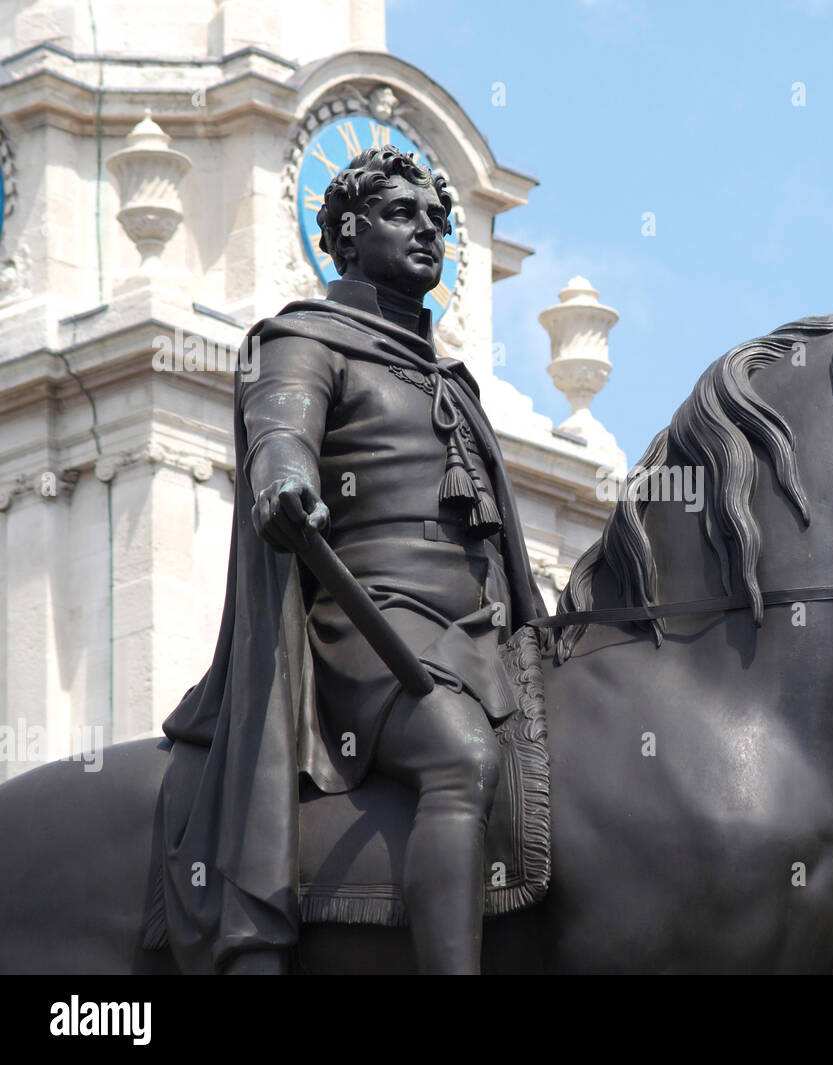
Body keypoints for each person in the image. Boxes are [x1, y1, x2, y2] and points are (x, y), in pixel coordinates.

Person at [152, 146, 546, 974]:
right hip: (373, 623)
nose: (428, 232)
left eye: (438, 220)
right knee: (461, 755)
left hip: (483, 630)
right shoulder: (303, 340)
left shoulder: (450, 377)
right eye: (403, 215)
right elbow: (283, 430)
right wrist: (285, 482)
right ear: (345, 233)